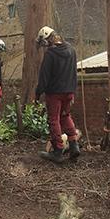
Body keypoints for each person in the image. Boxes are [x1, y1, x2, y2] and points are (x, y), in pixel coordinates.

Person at [34, 26, 80, 164]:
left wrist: (37, 93)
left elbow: (44, 77)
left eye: (44, 42)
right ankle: (74, 145)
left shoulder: (50, 54)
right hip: (69, 92)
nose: (44, 45)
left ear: (48, 38)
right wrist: (72, 91)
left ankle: (58, 151)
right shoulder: (71, 50)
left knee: (54, 119)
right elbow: (74, 72)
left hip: (54, 93)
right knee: (65, 116)